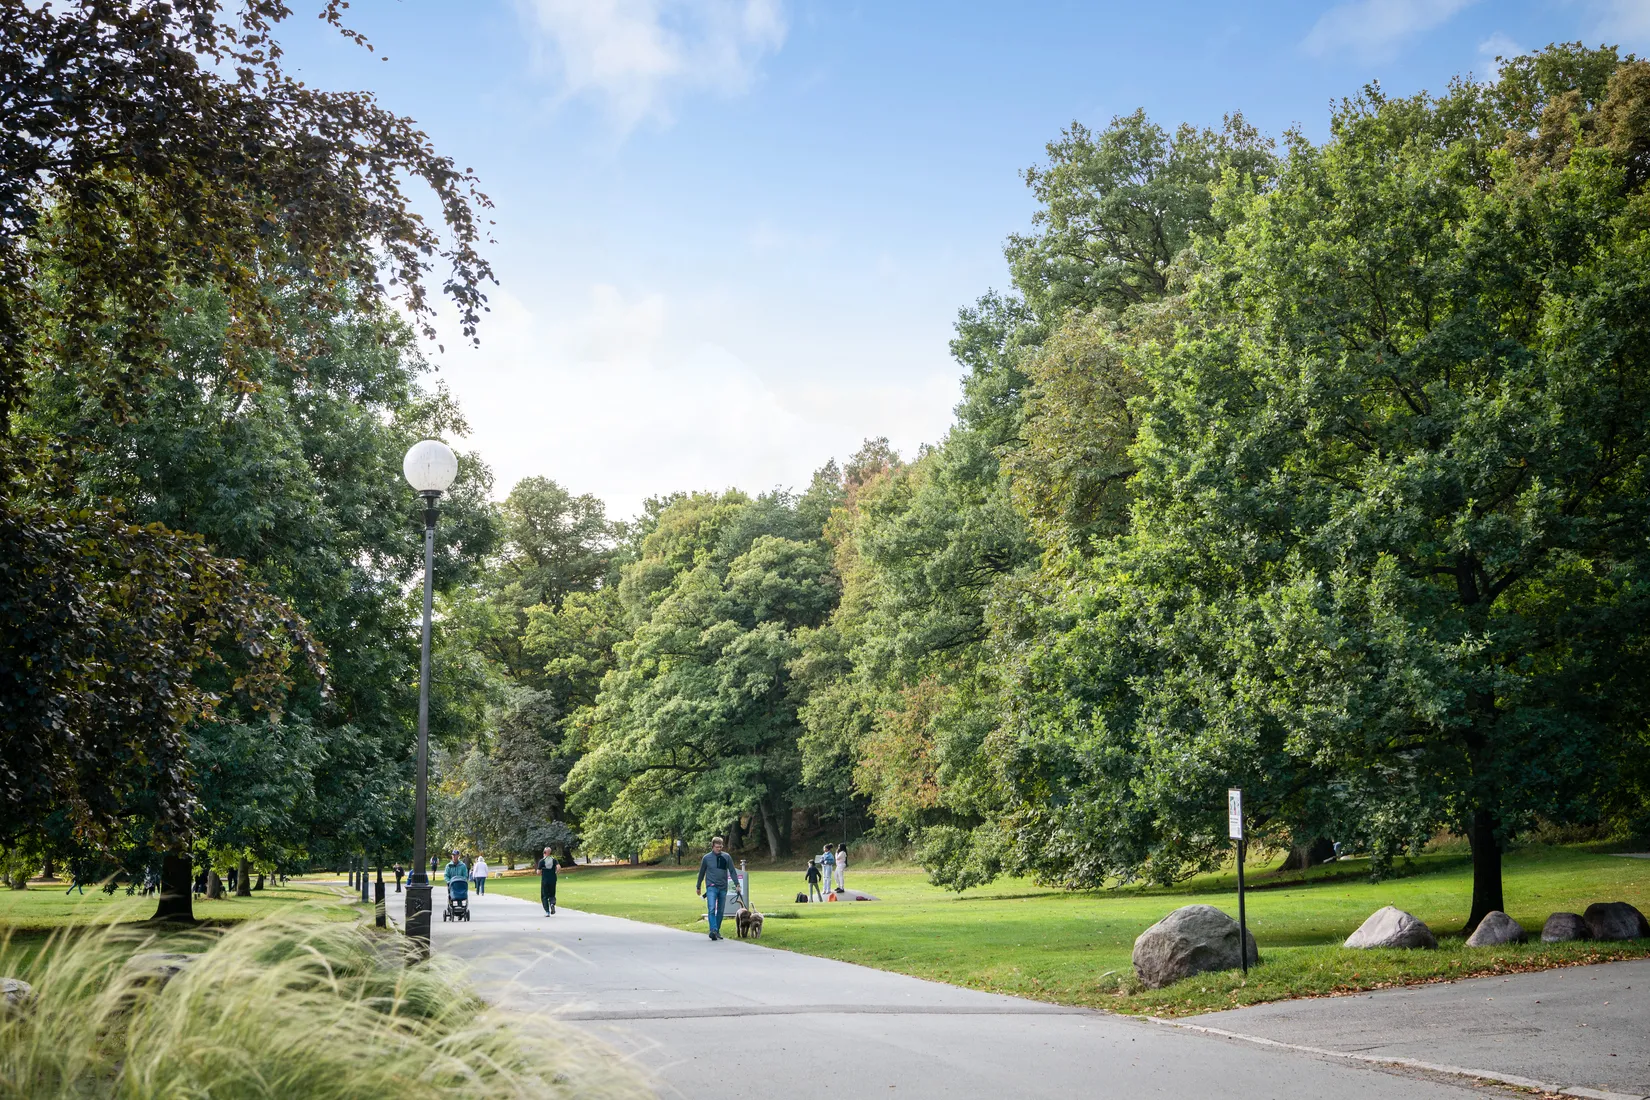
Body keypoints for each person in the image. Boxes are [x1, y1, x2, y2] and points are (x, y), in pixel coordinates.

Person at [696, 836, 739, 940]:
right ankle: (713, 930)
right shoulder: (706, 858)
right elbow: (701, 872)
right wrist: (698, 886)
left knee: (720, 910)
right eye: (717, 847)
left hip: (723, 887)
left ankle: (717, 931)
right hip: (711, 886)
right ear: (712, 846)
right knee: (711, 908)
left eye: (720, 847)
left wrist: (737, 884)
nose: (719, 849)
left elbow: (732, 871)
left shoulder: (726, 857)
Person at [536, 846, 558, 915]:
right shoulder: (554, 860)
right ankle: (552, 903)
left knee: (544, 895)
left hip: (545, 880)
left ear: (544, 853)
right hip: (553, 879)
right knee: (552, 894)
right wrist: (556, 872)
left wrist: (540, 871)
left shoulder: (542, 861)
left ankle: (547, 911)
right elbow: (559, 867)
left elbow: (538, 872)